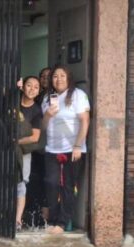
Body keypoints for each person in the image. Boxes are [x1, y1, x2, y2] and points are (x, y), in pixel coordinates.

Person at [41, 65, 90, 235]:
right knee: (51, 184)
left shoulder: (78, 95)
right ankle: (52, 220)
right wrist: (48, 115)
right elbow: (43, 127)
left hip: (73, 149)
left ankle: (62, 223)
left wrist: (78, 145)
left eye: (62, 75)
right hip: (52, 149)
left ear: (68, 78)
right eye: (55, 76)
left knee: (68, 186)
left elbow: (85, 121)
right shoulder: (47, 98)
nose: (59, 79)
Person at [16, 76, 43, 231]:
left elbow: (35, 137)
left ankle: (17, 220)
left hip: (24, 151)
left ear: (39, 91)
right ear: (23, 86)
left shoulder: (37, 111)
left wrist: (16, 141)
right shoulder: (13, 101)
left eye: (36, 87)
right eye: (29, 85)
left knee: (21, 183)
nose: (32, 89)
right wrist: (13, 88)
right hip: (5, 149)